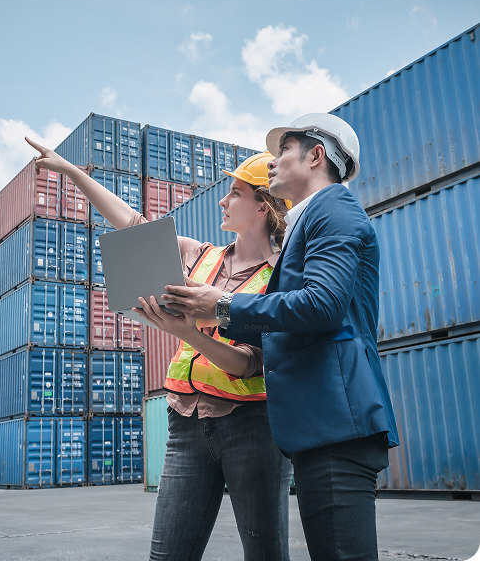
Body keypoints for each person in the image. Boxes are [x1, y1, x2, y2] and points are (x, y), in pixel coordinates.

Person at [25, 137, 294, 561]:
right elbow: (134, 224)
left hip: (252, 428)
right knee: (167, 556)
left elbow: (251, 364)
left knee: (266, 555)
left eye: (235, 193)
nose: (223, 201)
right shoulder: (201, 256)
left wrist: (189, 333)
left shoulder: (279, 279)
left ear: (263, 206)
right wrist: (73, 172)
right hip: (185, 423)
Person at [147, 113, 400, 561]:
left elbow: (323, 304)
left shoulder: (333, 207)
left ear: (316, 155)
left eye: (284, 149)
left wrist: (222, 307)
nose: (273, 161)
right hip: (317, 425)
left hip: (336, 423)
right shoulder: (308, 221)